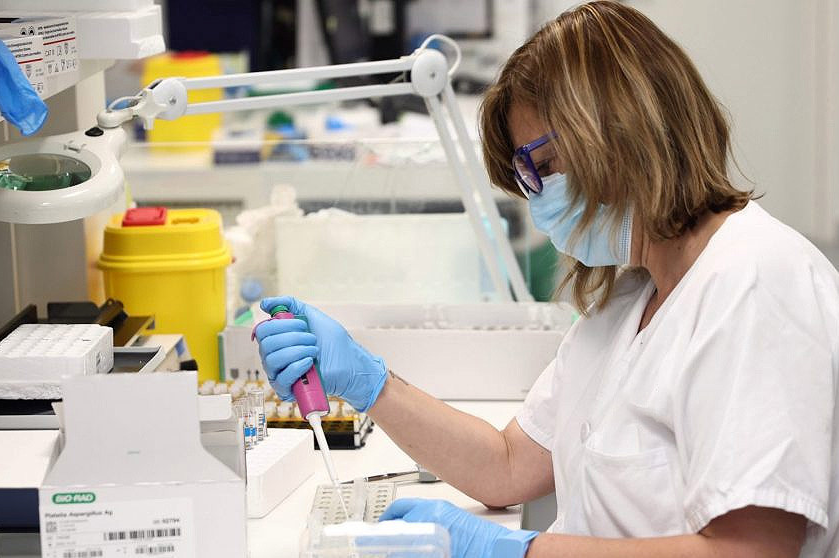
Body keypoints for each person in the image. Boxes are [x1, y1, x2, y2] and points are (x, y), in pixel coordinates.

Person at [253, 2, 839, 556]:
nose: (541, 201)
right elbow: (508, 465)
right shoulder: (634, 296)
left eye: (547, 167)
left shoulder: (755, 284)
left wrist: (518, 550)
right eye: (529, 180)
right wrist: (369, 381)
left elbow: (753, 549)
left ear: (624, 129)